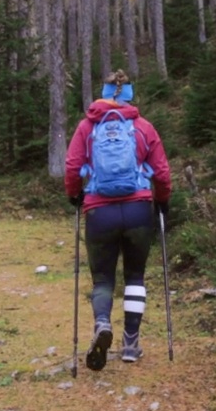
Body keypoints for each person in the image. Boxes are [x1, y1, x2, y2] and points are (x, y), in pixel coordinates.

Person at [64, 70, 172, 370]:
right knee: (135, 276)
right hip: (138, 208)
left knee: (102, 278)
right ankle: (131, 343)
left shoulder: (88, 127)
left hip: (100, 211)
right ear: (128, 96)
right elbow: (161, 172)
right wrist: (162, 200)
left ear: (102, 93)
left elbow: (73, 166)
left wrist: (75, 194)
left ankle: (102, 324)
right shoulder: (142, 127)